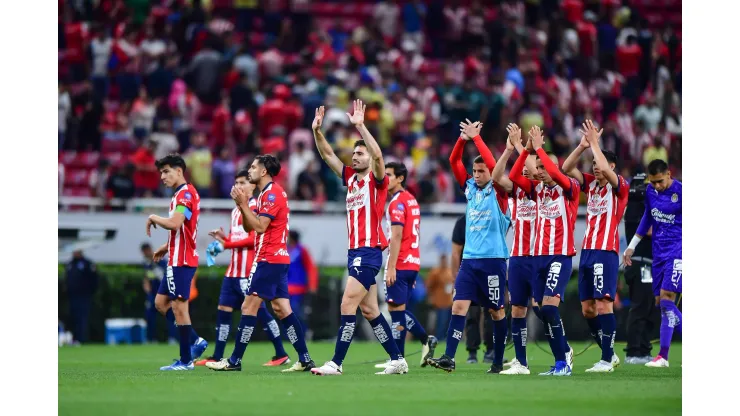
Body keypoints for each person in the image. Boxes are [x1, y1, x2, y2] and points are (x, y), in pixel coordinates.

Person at [310, 102, 408, 375]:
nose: (355, 157)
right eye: (353, 153)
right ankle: (397, 359)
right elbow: (328, 155)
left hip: (369, 250)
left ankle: (336, 363)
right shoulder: (351, 179)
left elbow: (378, 157)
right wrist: (317, 131)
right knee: (370, 310)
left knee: (347, 304)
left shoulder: (377, 180)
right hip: (355, 251)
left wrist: (361, 126)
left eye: (359, 153)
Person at [206, 155, 316, 372]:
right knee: (281, 308)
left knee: (249, 306)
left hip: (269, 258)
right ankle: (304, 359)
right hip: (274, 258)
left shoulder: (273, 194)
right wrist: (243, 205)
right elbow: (250, 226)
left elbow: (260, 227)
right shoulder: (265, 194)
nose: (250, 170)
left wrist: (243, 204)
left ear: (264, 171)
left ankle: (234, 361)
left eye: (254, 167)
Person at [427, 120, 510, 374]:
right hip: (470, 261)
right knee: (459, 306)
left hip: (494, 260)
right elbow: (454, 162)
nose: (476, 175)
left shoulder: (499, 191)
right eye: (474, 171)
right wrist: (463, 139)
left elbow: (495, 166)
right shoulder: (471, 189)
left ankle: (496, 360)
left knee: (496, 311)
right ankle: (449, 357)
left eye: (481, 171)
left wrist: (477, 139)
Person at [196, 170, 291, 368]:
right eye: (235, 183)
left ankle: (281, 353)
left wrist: (226, 245)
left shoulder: (256, 206)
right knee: (223, 310)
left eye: (242, 182)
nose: (237, 187)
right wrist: (225, 239)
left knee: (259, 312)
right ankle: (217, 356)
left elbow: (254, 238)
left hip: (248, 271)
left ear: (252, 186)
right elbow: (237, 239)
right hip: (232, 272)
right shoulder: (234, 211)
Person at [509, 126, 578, 376]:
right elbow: (516, 175)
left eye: (543, 167)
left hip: (559, 256)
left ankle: (562, 363)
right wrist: (524, 148)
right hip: (537, 258)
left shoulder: (569, 188)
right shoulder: (536, 190)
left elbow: (554, 173)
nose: (540, 172)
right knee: (541, 310)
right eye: (537, 168)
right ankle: (563, 354)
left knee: (549, 308)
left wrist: (537, 147)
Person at [560, 120, 627, 372]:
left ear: (611, 167)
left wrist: (596, 144)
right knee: (588, 309)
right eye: (594, 164)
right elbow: (566, 168)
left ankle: (607, 359)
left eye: (601, 164)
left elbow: (609, 174)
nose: (596, 168)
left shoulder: (619, 187)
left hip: (605, 252)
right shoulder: (590, 185)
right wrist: (582, 146)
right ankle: (608, 353)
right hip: (587, 252)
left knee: (603, 305)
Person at [145, 154, 208, 371]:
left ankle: (185, 361)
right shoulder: (180, 194)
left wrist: (154, 217)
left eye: (166, 171)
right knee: (161, 304)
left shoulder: (185, 195)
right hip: (175, 257)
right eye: (161, 172)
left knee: (180, 308)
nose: (162, 176)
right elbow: (181, 228)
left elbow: (174, 223)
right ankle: (195, 340)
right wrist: (167, 244)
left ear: (179, 171)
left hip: (182, 260)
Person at [375, 161, 438, 371]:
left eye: (390, 175)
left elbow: (397, 235)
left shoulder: (396, 203)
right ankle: (421, 343)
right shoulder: (411, 200)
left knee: (396, 313)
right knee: (397, 309)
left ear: (400, 178)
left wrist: (390, 266)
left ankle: (399, 360)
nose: (386, 178)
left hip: (400, 262)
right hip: (413, 262)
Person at [623, 159, 682, 368]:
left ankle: (664, 354)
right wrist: (632, 246)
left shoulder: (681, 192)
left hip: (678, 251)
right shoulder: (649, 191)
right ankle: (663, 357)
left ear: (669, 174)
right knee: (660, 303)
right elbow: (647, 217)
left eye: (660, 181)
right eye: (653, 182)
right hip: (658, 253)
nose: (657, 186)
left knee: (667, 299)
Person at [490, 123, 538, 375]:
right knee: (518, 308)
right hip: (518, 256)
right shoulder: (516, 191)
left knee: (544, 308)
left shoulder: (541, 188)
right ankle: (521, 362)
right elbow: (496, 177)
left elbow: (534, 171)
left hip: (540, 256)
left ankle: (563, 354)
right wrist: (509, 149)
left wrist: (524, 147)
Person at [622, 172, 659, 365]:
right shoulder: (635, 209)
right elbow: (649, 231)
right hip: (640, 262)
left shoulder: (640, 207)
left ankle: (643, 349)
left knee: (648, 307)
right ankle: (634, 351)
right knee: (640, 306)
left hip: (646, 262)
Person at [450, 213, 494, 364]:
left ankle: (476, 353)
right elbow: (456, 253)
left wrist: (456, 278)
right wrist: (456, 278)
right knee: (483, 312)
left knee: (480, 313)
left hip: (477, 271)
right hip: (476, 271)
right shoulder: (465, 221)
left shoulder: (463, 220)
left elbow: (456, 252)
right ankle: (485, 352)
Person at [140, 243, 175, 343]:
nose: (146, 253)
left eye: (147, 250)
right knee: (150, 316)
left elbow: (168, 278)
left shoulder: (162, 262)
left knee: (170, 315)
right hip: (152, 294)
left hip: (164, 293)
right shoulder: (146, 264)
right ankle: (151, 339)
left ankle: (172, 338)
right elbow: (146, 279)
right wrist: (148, 292)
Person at [287, 230, 319, 334]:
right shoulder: (284, 250)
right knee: (285, 313)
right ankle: (290, 337)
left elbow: (311, 268)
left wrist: (313, 284)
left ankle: (304, 332)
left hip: (298, 288)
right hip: (285, 288)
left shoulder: (301, 250)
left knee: (296, 311)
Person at [65, 250, 99, 344]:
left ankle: (81, 338)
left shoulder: (87, 264)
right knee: (73, 317)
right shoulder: (70, 264)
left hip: (84, 296)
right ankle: (73, 338)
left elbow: (94, 280)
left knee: (82, 318)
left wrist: (89, 292)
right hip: (72, 296)